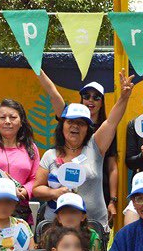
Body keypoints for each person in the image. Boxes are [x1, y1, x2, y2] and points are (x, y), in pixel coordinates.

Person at [33, 69, 135, 234]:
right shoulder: (50, 155)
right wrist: (54, 193)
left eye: (81, 123)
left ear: (88, 129)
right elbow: (37, 189)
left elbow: (111, 121)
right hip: (55, 229)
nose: (75, 126)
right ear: (62, 125)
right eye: (70, 122)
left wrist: (124, 97)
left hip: (93, 228)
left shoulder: (95, 146)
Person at [39, 193, 103, 251]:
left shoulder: (92, 237)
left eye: (73, 212)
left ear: (83, 217)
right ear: (59, 218)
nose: (69, 216)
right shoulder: (49, 236)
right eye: (64, 212)